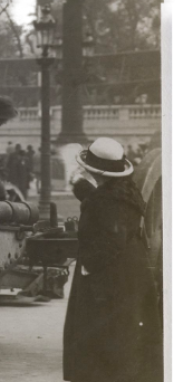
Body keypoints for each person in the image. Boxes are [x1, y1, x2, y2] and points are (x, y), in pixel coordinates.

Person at [63, 138, 162, 382]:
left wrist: (89, 267)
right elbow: (104, 204)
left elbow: (110, 236)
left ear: (95, 171)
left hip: (108, 276)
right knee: (124, 334)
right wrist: (81, 188)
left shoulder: (105, 200)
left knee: (101, 334)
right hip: (132, 269)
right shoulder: (126, 191)